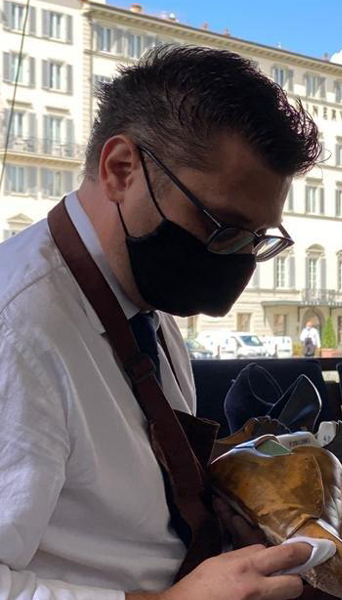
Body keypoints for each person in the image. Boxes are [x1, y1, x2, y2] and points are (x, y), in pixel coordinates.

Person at [0, 47, 319, 600]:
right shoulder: (17, 327)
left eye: (256, 240)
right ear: (121, 170)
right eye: (221, 227)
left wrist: (231, 535)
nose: (238, 259)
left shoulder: (145, 306)